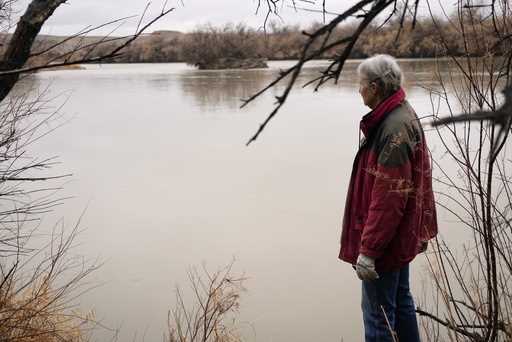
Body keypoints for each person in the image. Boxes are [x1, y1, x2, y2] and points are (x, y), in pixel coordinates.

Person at [338, 54, 438, 342]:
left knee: (378, 317)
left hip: (386, 242)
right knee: (401, 304)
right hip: (398, 235)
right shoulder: (397, 115)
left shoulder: (393, 127)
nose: (358, 89)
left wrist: (369, 251)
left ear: (376, 86)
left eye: (361, 84)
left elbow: (389, 199)